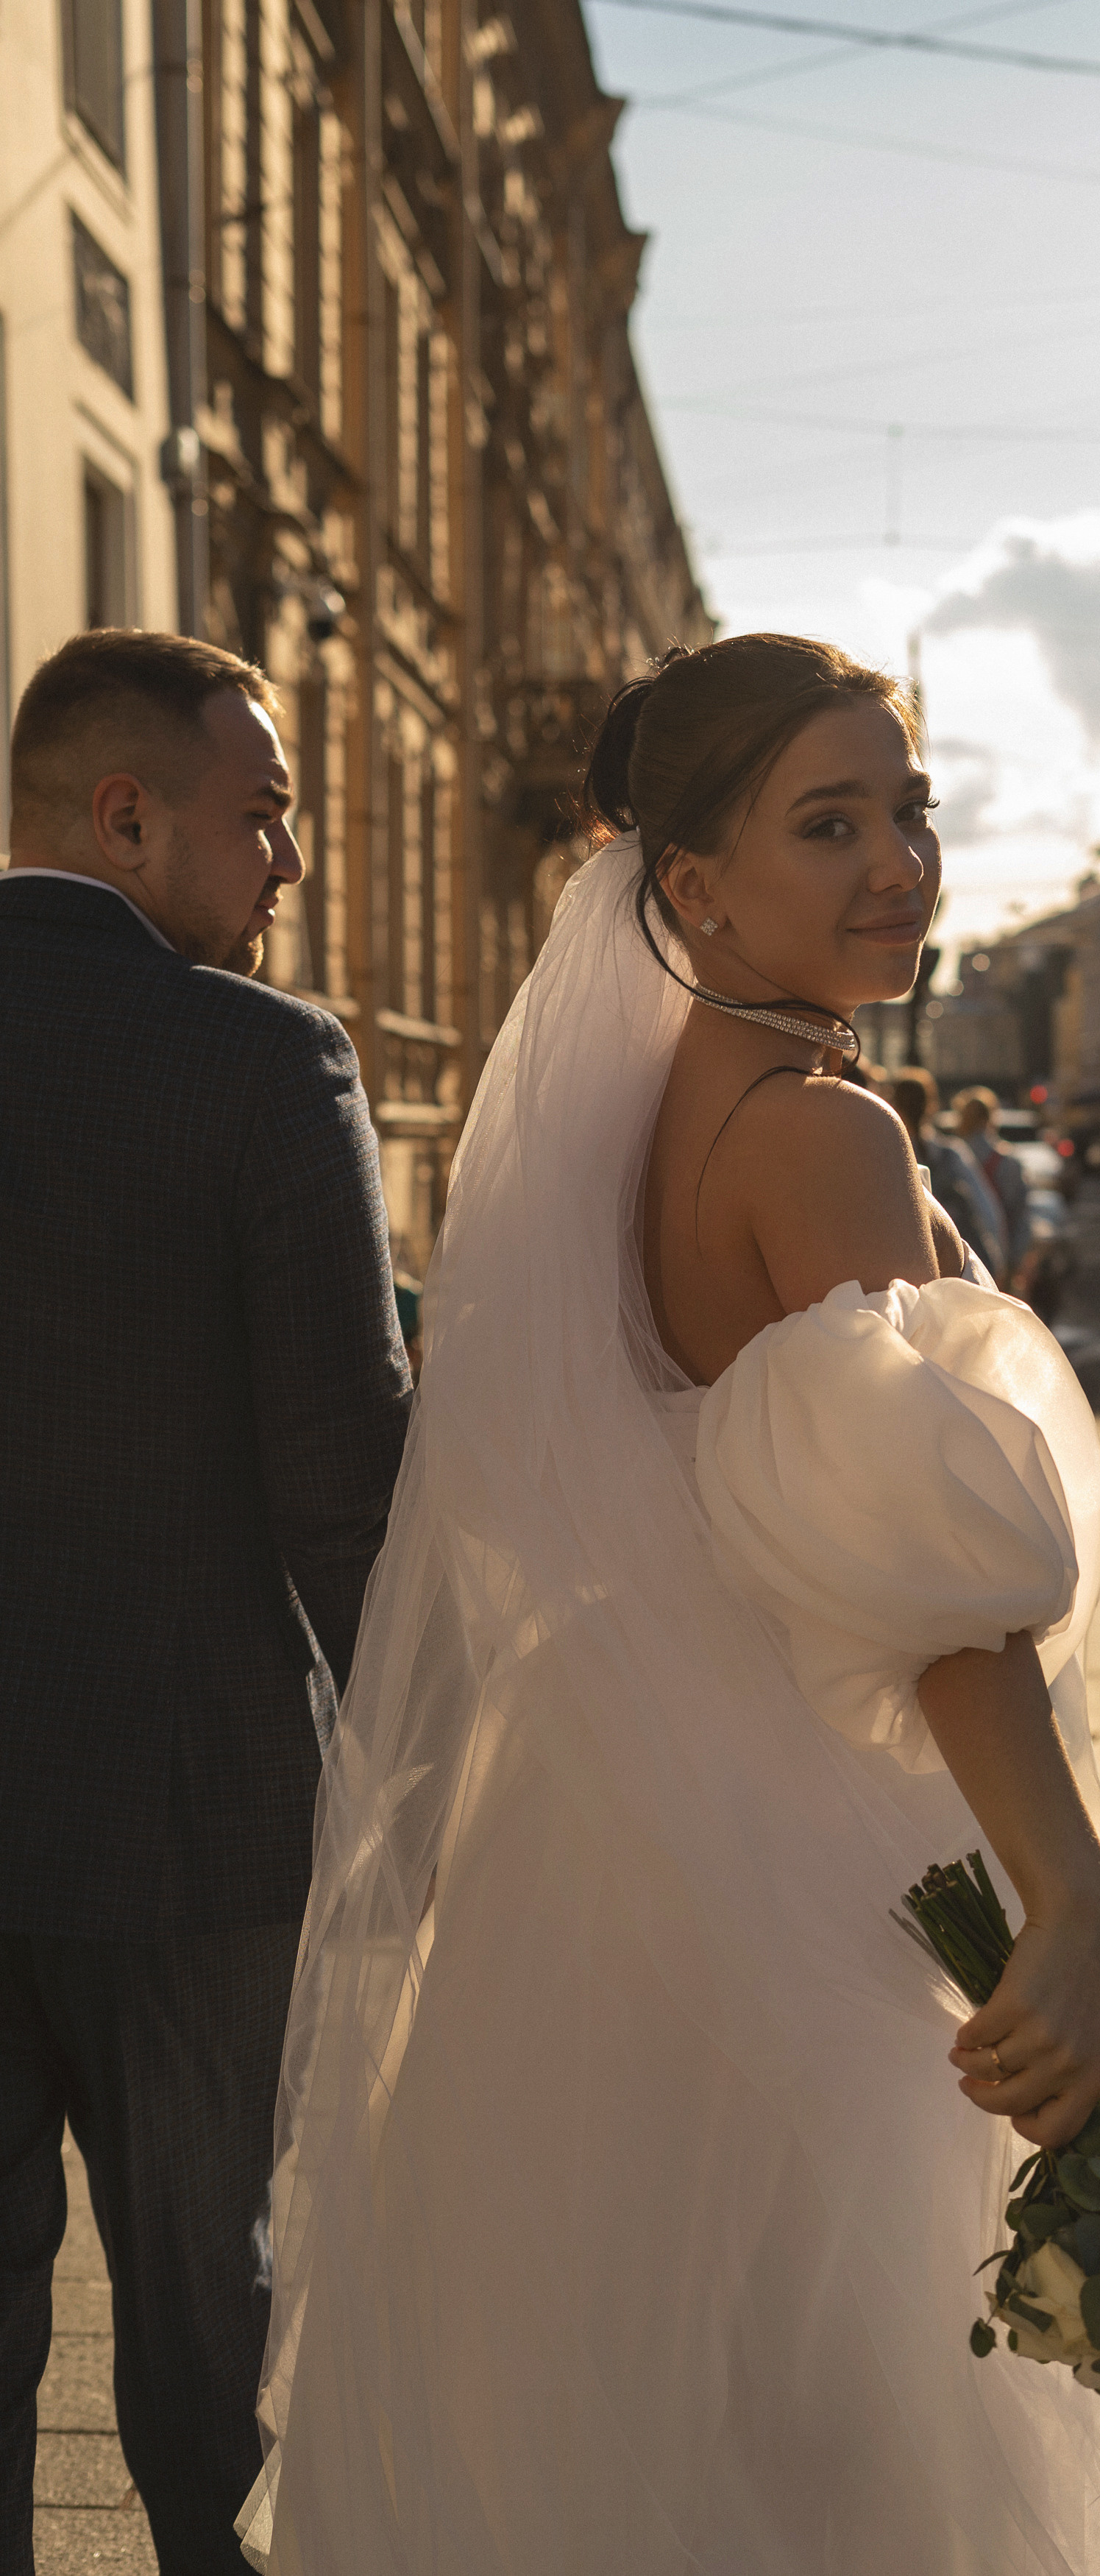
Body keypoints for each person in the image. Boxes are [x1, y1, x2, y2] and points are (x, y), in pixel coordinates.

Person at [238, 635, 1100, 2574]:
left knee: (637, 2414)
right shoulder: (819, 1132)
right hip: (802, 1855)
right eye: (828, 822)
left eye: (910, 810)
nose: (897, 863)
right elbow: (930, 1588)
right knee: (852, 2443)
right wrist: (1073, 1900)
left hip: (600, 1840)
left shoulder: (647, 1120)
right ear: (692, 885)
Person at [0, 629, 415, 2572]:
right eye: (262, 817)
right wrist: (463, 1753)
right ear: (126, 814)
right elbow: (348, 1479)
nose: (287, 864)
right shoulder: (262, 1060)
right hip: (191, 1825)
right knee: (200, 2337)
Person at [889, 1062, 1007, 1279]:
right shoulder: (951, 1154)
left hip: (905, 1278)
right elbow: (987, 1212)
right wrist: (995, 1266)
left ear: (893, 1106)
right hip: (953, 1274)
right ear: (931, 1105)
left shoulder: (889, 1156)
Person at [956, 1083, 1033, 1281]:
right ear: (991, 1117)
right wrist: (1013, 1262)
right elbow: (1022, 1217)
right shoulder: (1008, 1161)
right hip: (1000, 1258)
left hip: (959, 1262)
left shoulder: (951, 1159)